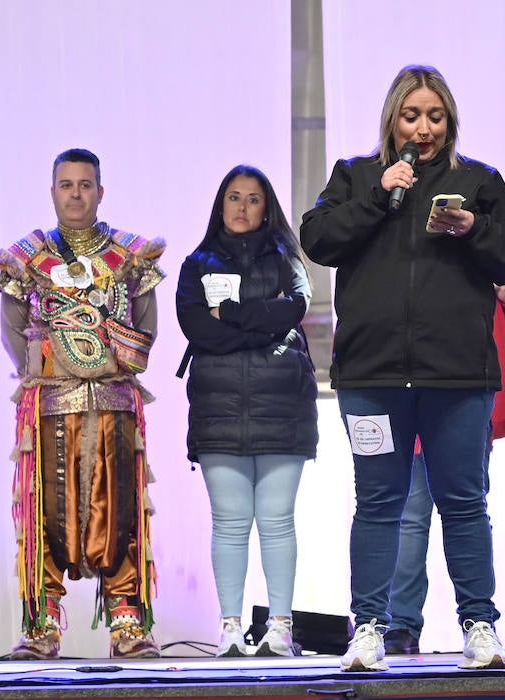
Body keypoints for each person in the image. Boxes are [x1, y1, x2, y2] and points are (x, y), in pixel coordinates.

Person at [300, 64, 505, 671]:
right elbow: (318, 240)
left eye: (435, 116)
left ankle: (479, 627)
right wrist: (381, 193)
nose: (423, 128)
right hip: (372, 376)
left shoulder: (478, 181)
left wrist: (473, 228)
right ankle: (370, 628)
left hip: (457, 375)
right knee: (378, 503)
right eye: (412, 116)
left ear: (449, 121)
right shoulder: (356, 177)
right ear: (392, 121)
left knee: (464, 502)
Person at [0, 148, 167, 660]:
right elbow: (11, 330)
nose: (75, 193)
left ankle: (127, 623)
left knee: (120, 511)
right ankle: (42, 625)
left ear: (100, 191)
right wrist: (46, 367)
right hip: (48, 405)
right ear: (52, 192)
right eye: (66, 185)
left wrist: (109, 358)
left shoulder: (132, 256)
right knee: (44, 509)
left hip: (114, 401)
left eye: (85, 184)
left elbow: (146, 326)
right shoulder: (26, 258)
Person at [175, 165, 320, 658]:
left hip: (283, 403)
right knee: (230, 522)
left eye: (252, 198)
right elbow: (198, 328)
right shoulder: (196, 263)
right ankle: (231, 629)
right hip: (218, 409)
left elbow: (295, 309)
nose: (241, 207)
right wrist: (262, 319)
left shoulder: (287, 259)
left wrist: (232, 315)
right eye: (233, 197)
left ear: (267, 206)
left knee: (278, 520)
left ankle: (280, 627)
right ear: (220, 205)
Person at [385, 271, 505, 656]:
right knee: (410, 515)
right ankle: (400, 625)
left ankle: (477, 623)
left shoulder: (488, 242)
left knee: (464, 511)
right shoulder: (398, 242)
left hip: (472, 396)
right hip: (408, 390)